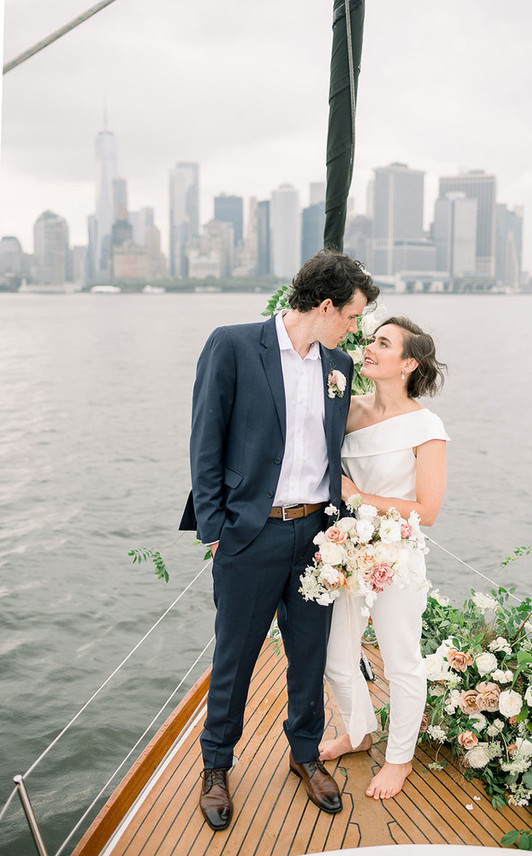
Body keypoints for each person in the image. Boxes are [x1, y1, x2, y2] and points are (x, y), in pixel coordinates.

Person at [180, 250, 379, 831]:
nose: (353, 329)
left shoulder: (337, 365)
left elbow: (335, 446)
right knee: (234, 655)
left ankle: (304, 753)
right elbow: (205, 441)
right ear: (325, 306)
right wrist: (217, 530)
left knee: (309, 654)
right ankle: (216, 765)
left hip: (318, 535)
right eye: (351, 316)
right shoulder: (234, 345)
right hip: (251, 533)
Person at [319, 316, 449, 801]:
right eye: (371, 339)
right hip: (348, 551)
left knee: (400, 661)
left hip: (398, 555)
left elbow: (428, 511)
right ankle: (359, 732)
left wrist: (360, 496)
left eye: (383, 343)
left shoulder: (426, 426)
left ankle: (399, 760)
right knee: (335, 657)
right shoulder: (347, 411)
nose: (368, 348)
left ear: (408, 363)